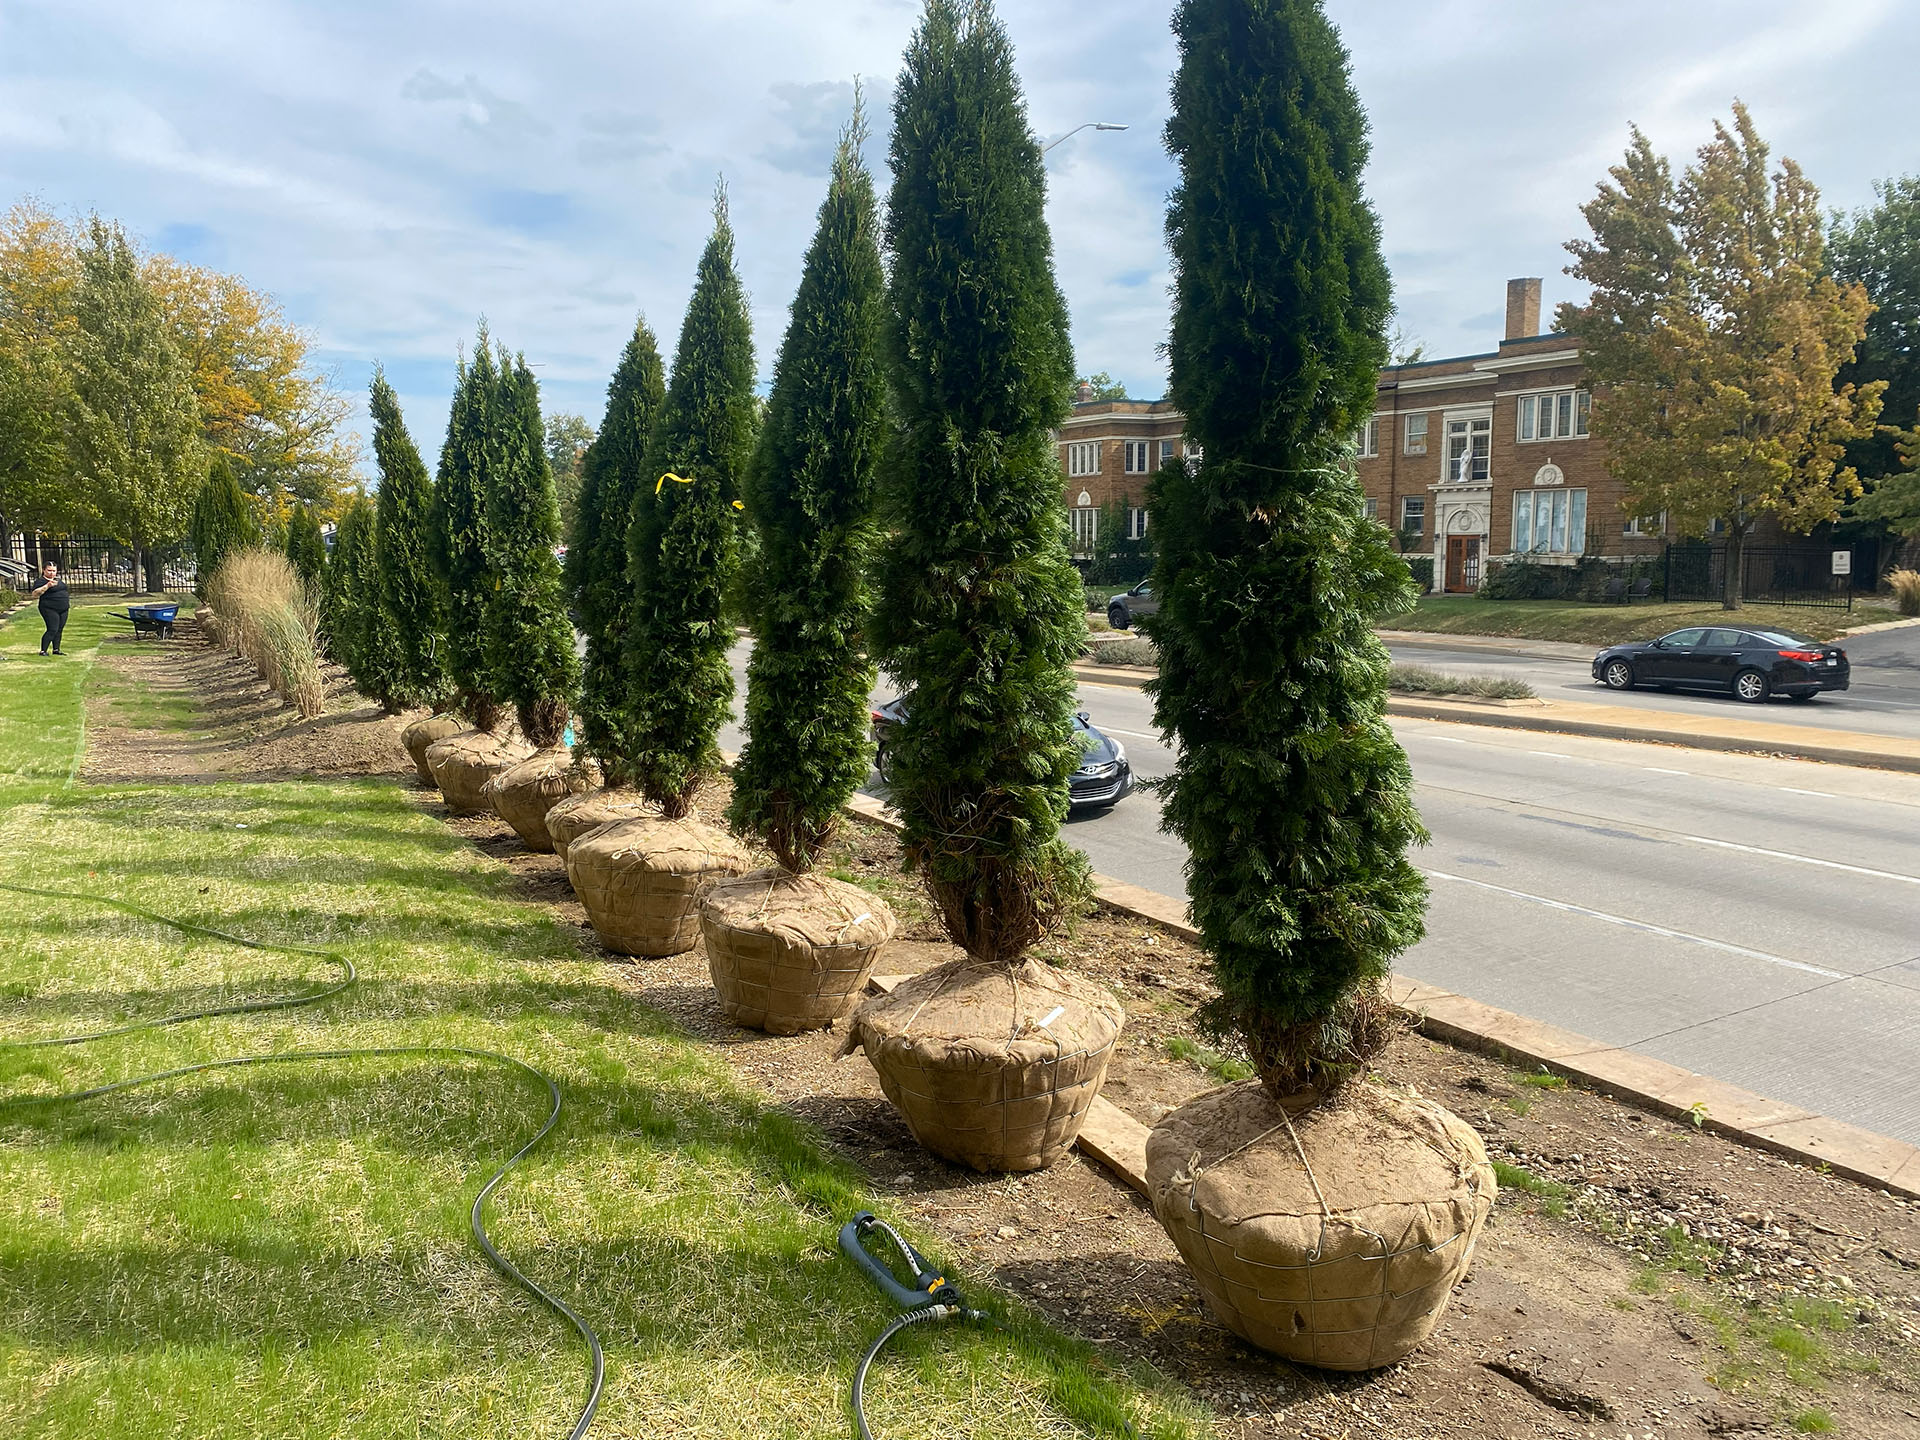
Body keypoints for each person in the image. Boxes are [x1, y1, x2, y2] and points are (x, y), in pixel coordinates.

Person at [29, 560, 70, 655]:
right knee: (52, 629)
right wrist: (47, 586)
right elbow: (35, 594)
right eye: (49, 570)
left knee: (59, 629)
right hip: (49, 608)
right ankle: (43, 650)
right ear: (44, 570)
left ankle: (56, 649)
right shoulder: (41, 581)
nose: (52, 573)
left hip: (63, 608)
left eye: (54, 571)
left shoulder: (58, 580)